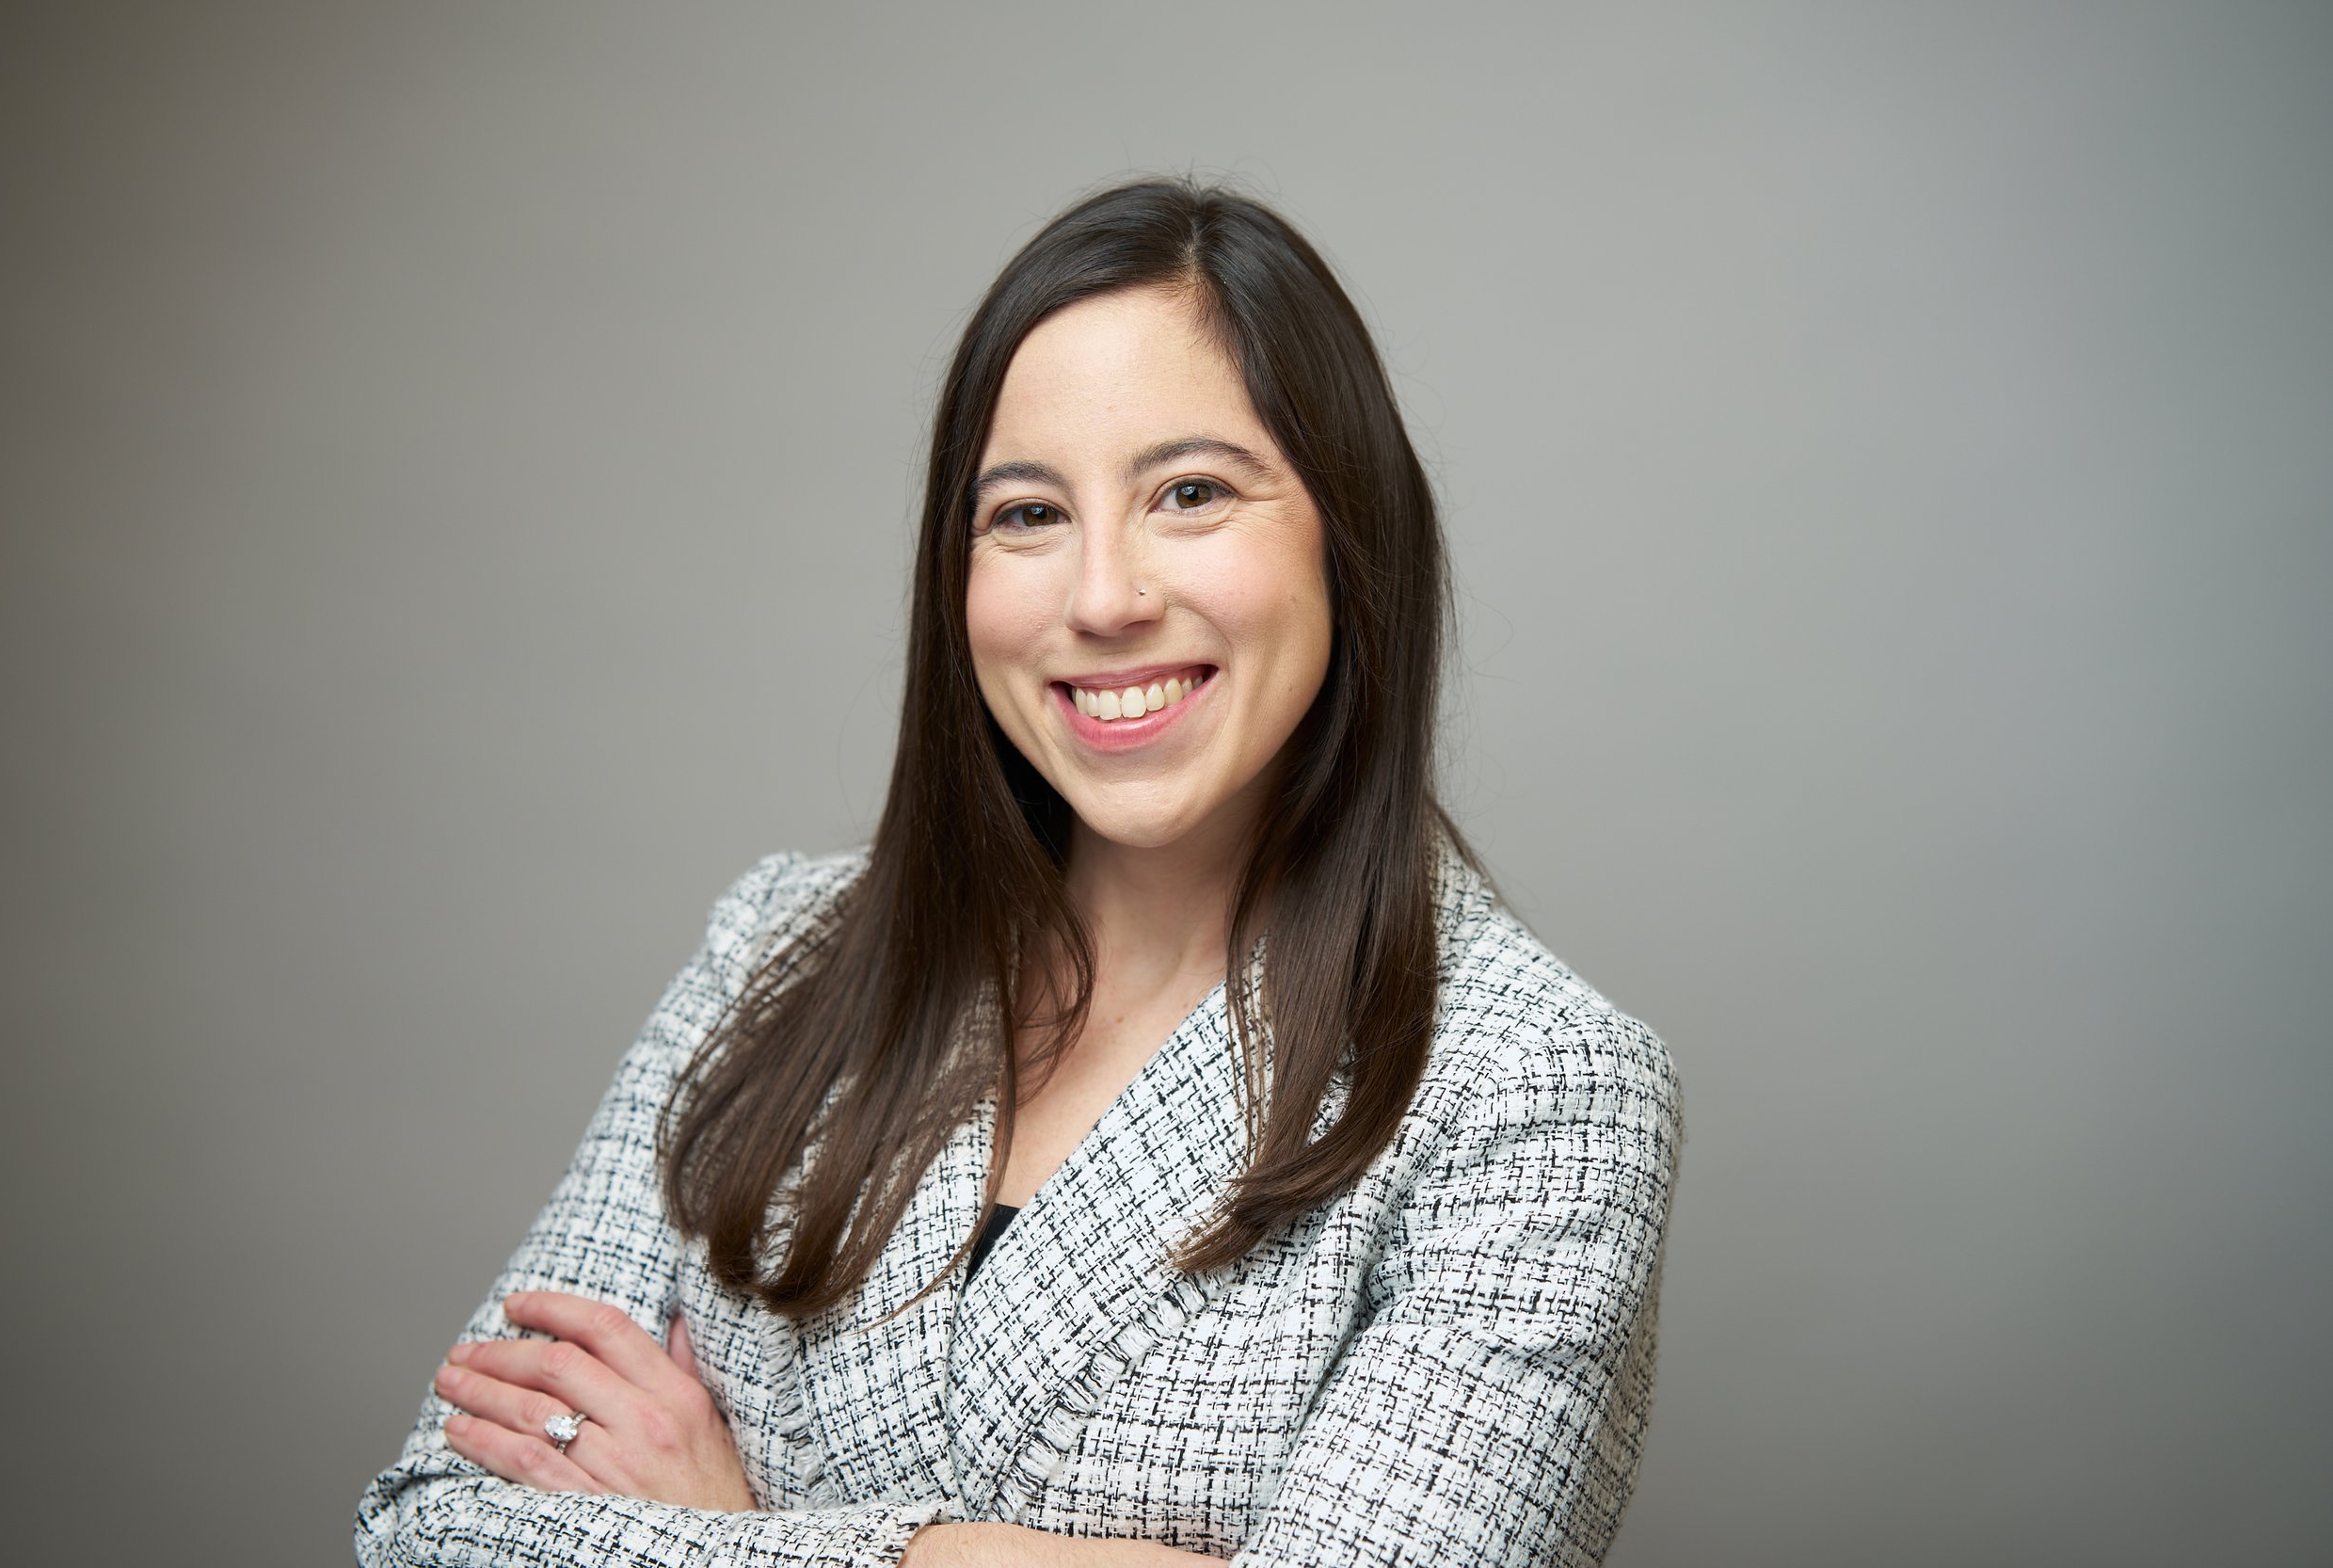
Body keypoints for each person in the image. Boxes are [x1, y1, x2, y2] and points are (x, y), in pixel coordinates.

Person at [355, 175, 1683, 1568]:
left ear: (1350, 537)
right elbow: (432, 1528)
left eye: (1190, 493)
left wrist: (728, 1537)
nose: (1103, 597)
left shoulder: (1534, 1088)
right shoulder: (780, 953)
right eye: (1028, 514)